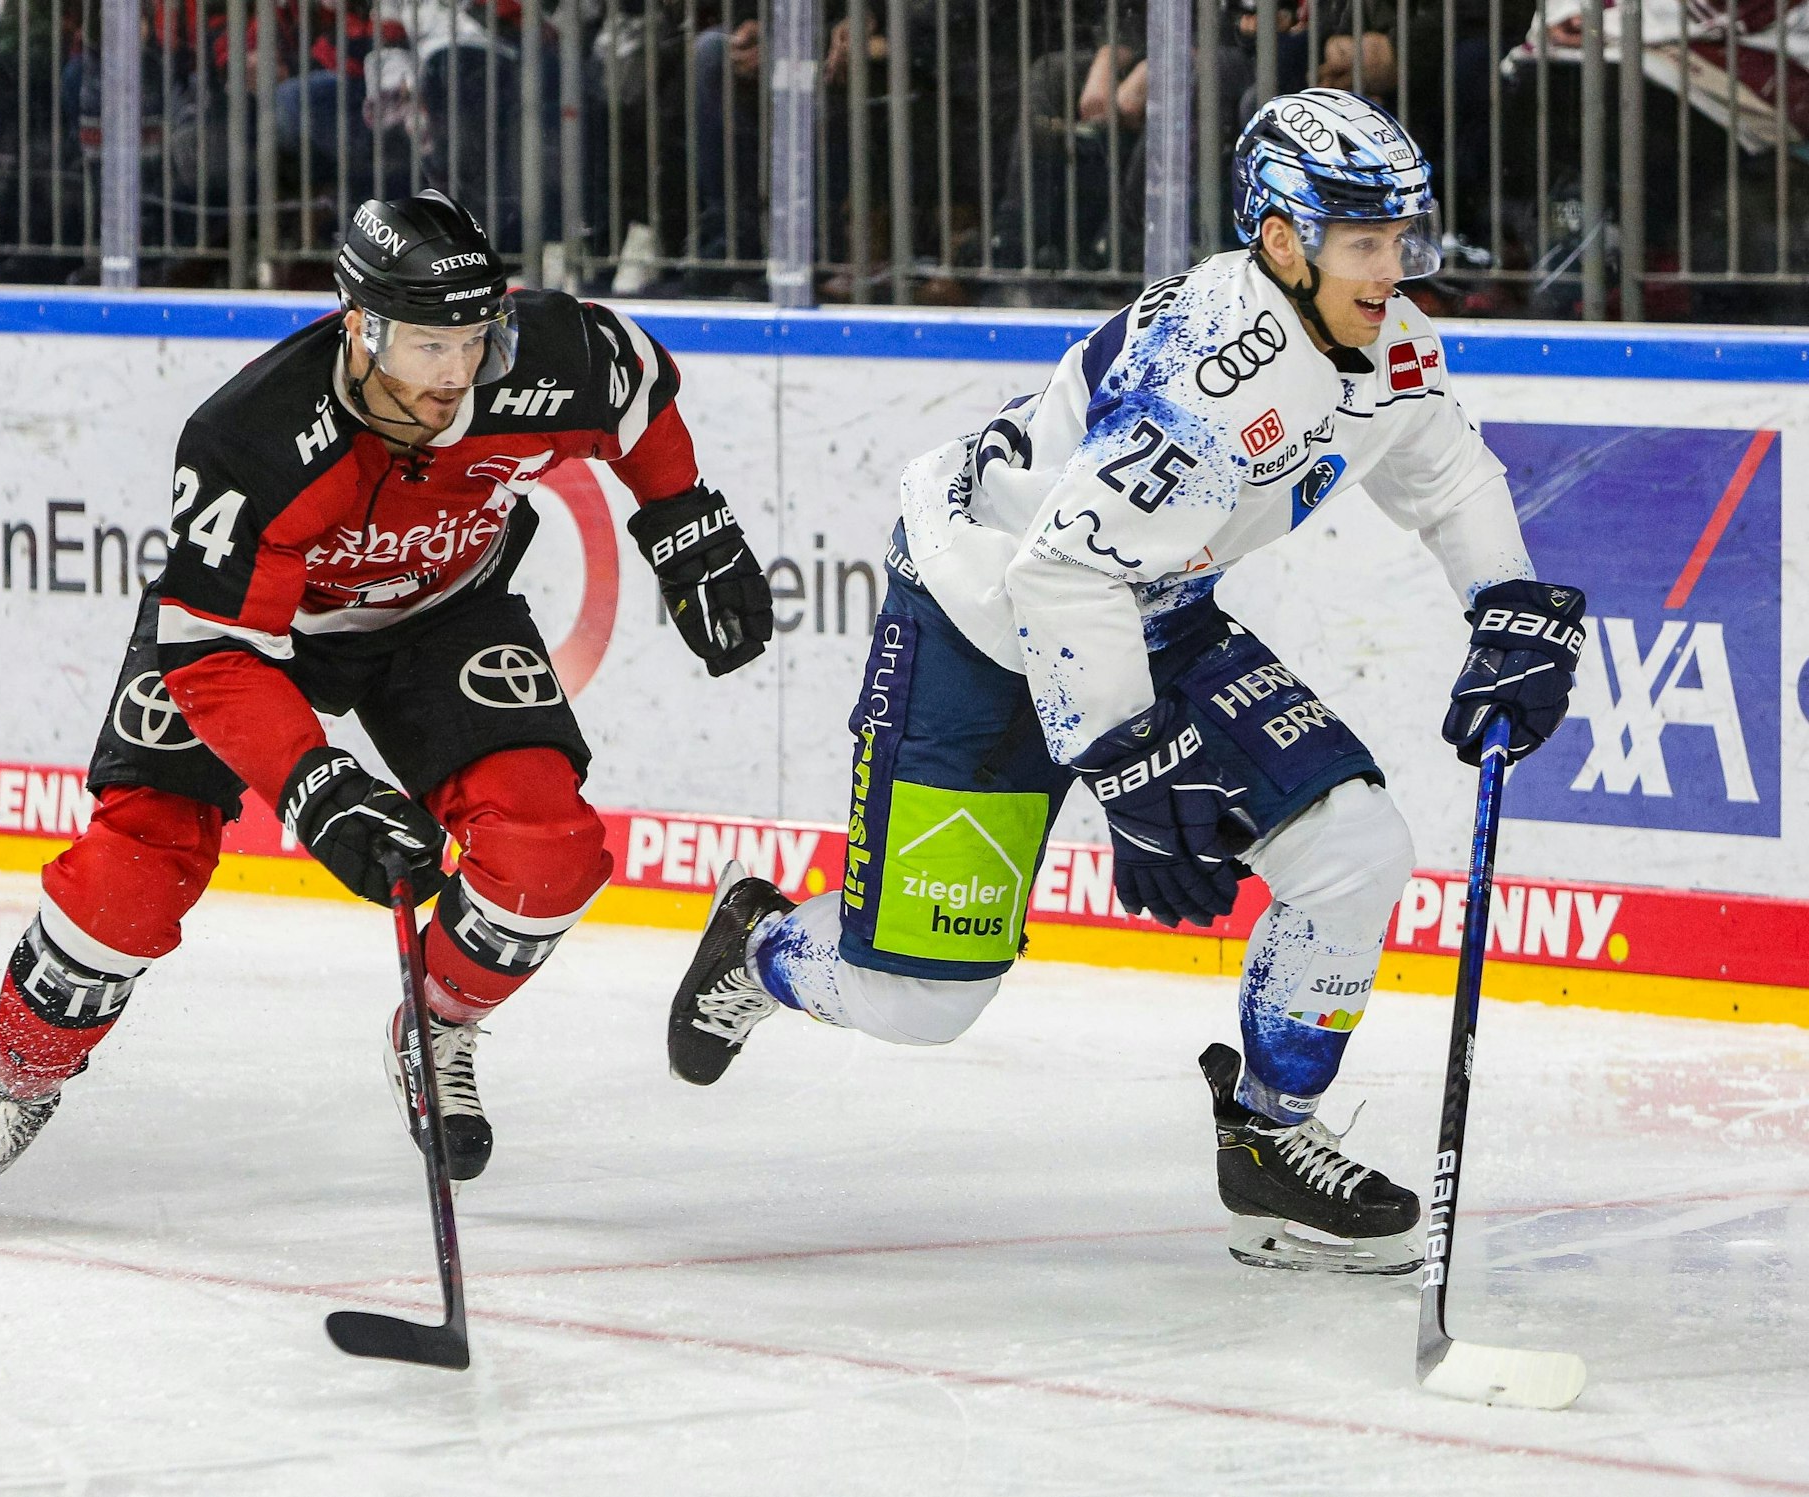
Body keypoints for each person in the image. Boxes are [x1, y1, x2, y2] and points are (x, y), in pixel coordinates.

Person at [662, 89, 1584, 1275]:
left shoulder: (1382, 331)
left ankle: (1267, 1137)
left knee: (1355, 853)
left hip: (1143, 609)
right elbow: (1054, 581)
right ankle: (759, 948)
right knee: (920, 1005)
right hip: (979, 621)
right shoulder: (1204, 382)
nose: (1390, 269)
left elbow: (1439, 465)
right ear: (1279, 239)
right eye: (1364, 243)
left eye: (1400, 239)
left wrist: (1502, 602)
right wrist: (1129, 764)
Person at [0, 190, 772, 1226]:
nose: (455, 376)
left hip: (443, 617)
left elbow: (630, 381)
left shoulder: (534, 357)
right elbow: (217, 656)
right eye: (424, 346)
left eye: (474, 341)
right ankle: (16, 1085)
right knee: (134, 866)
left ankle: (436, 1026)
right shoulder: (252, 436)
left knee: (547, 855)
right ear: (358, 326)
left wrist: (684, 522)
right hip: (248, 647)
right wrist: (314, 788)